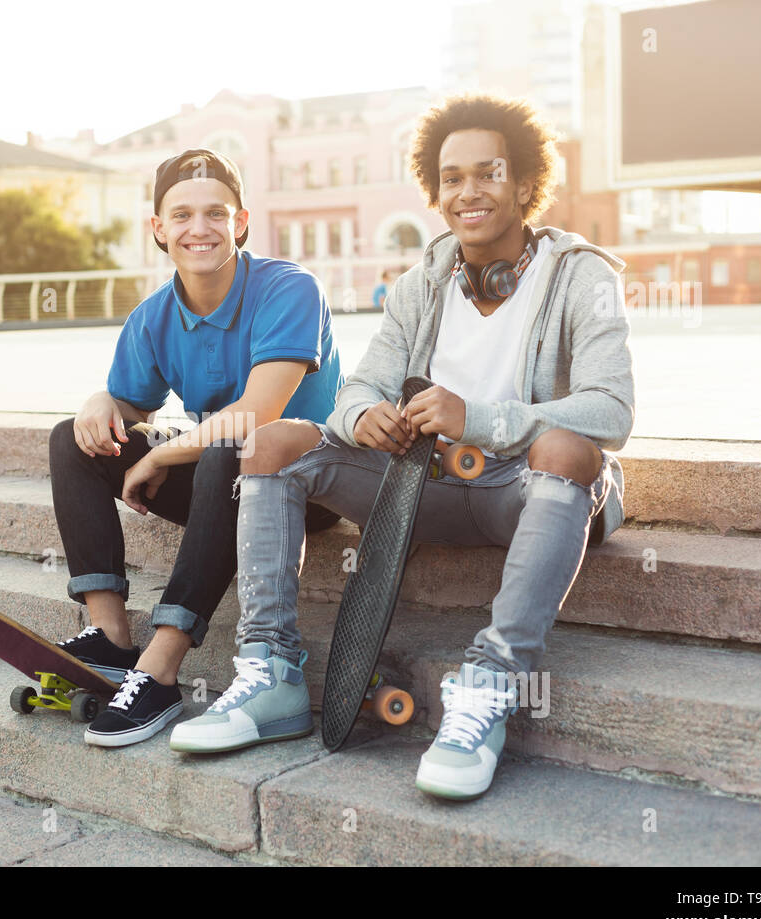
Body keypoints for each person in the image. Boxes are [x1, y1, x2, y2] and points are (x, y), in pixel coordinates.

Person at [169, 93, 635, 802]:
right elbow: (357, 389)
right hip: (425, 489)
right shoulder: (423, 284)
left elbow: (611, 409)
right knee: (270, 444)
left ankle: (489, 688)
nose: (468, 191)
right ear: (434, 188)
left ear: (524, 182)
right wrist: (363, 421)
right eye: (451, 177)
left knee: (573, 451)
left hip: (529, 493)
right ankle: (271, 675)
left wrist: (475, 417)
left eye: (488, 172)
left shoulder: (581, 276)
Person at [47, 148, 343, 748]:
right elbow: (129, 405)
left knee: (224, 448)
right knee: (72, 442)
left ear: (240, 221)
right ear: (158, 228)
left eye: (215, 213)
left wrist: (158, 456)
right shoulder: (153, 316)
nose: (198, 229)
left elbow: (255, 416)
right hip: (219, 482)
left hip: (302, 483)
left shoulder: (289, 288)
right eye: (181, 215)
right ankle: (108, 638)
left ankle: (159, 670)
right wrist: (99, 404)